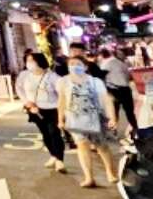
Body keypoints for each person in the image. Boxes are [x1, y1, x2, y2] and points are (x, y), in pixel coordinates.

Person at [57, 53, 118, 189]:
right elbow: (61, 101)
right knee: (82, 146)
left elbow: (106, 100)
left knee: (101, 146)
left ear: (85, 67)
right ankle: (89, 177)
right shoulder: (63, 82)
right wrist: (60, 119)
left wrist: (112, 117)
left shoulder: (95, 81)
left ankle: (110, 173)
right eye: (71, 64)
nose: (74, 67)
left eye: (78, 64)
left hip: (95, 118)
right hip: (74, 119)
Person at [17, 52, 65, 172]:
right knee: (45, 133)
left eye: (32, 60)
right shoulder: (24, 75)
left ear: (39, 61)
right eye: (27, 61)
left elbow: (62, 92)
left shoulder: (52, 77)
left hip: (52, 109)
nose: (29, 63)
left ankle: (60, 160)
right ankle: (53, 155)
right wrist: (26, 102)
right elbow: (19, 88)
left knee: (54, 133)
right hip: (34, 109)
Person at [98, 48, 138, 133]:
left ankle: (114, 131)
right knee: (130, 113)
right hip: (126, 90)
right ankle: (136, 130)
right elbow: (128, 76)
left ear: (101, 56)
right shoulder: (120, 63)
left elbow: (100, 76)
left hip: (114, 90)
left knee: (114, 112)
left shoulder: (106, 63)